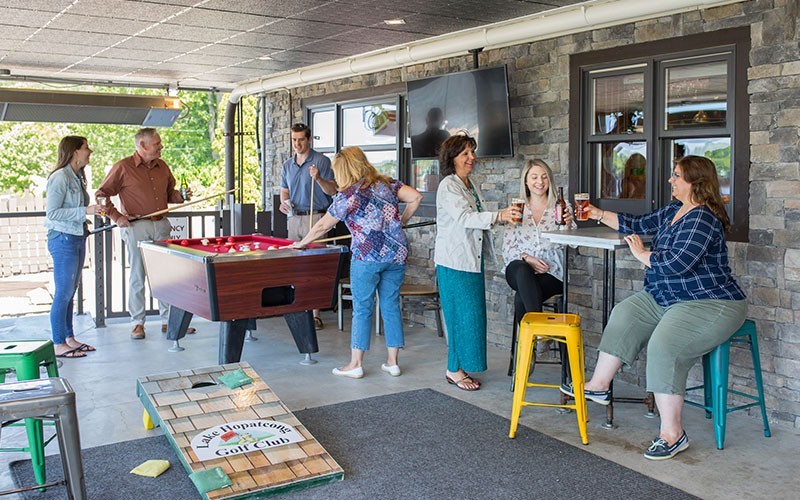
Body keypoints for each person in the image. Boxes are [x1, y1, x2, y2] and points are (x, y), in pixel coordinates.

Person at [562, 155, 746, 460]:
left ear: (695, 183)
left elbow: (676, 264)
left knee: (665, 344)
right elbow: (635, 223)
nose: (670, 180)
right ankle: (598, 385)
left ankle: (673, 434)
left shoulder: (703, 218)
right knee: (626, 312)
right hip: (668, 297)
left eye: (676, 176)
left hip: (711, 301)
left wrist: (642, 254)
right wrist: (596, 213)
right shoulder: (676, 209)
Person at [289, 147, 422, 378]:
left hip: (367, 257)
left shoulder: (349, 195)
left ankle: (355, 364)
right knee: (390, 304)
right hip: (396, 254)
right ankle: (392, 362)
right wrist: (400, 222)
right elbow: (416, 197)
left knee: (362, 307)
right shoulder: (388, 184)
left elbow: (323, 225)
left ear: (344, 170)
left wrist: (302, 243)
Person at [434, 134, 520, 391]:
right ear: (452, 158)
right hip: (454, 261)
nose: (472, 157)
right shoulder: (448, 186)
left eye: (472, 152)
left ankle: (461, 365)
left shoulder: (469, 184)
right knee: (458, 316)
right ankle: (453, 369)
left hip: (471, 260)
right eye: (465, 154)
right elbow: (466, 218)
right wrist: (500, 216)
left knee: (472, 316)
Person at [96, 128, 193, 340]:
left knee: (167, 275)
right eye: (157, 143)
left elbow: (170, 194)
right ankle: (137, 323)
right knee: (138, 275)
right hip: (136, 226)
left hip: (161, 225)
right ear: (142, 145)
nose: (161, 146)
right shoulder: (123, 167)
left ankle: (169, 320)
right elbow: (101, 195)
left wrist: (181, 196)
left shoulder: (162, 166)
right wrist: (116, 217)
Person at [44, 136, 103, 358]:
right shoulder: (60, 178)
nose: (90, 151)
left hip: (77, 236)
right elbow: (53, 213)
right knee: (64, 291)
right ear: (74, 151)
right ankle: (58, 342)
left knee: (72, 290)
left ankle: (69, 337)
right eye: (86, 148)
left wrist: (86, 217)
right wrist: (85, 211)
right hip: (63, 239)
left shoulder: (77, 177)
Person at [502, 159, 575, 339]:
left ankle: (530, 346)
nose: (539, 182)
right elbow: (507, 250)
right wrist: (527, 258)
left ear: (549, 180)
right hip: (519, 268)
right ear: (526, 181)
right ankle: (541, 332)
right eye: (534, 177)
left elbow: (572, 244)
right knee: (522, 269)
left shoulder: (560, 207)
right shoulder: (517, 210)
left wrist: (567, 225)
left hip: (551, 272)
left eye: (544, 177)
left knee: (522, 296)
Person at [279, 123, 337, 329]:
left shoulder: (321, 161)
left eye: (301, 139)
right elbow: (284, 191)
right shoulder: (287, 165)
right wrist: (283, 203)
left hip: (317, 218)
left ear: (309, 139)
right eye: (294, 140)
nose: (297, 144)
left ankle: (315, 314)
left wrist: (318, 177)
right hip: (294, 219)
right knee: (294, 265)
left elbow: (332, 191)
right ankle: (297, 309)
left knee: (315, 266)